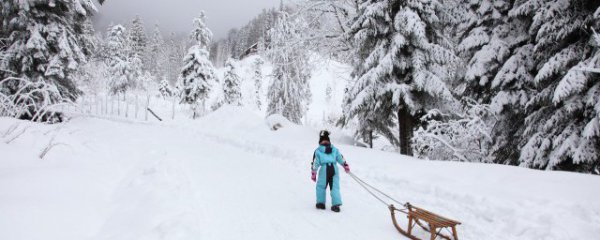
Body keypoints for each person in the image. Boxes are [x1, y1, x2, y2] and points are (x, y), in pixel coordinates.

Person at [311, 130, 350, 212]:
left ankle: (321, 203)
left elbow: (315, 162)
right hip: (334, 169)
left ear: (320, 141)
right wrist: (345, 165)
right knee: (335, 187)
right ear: (329, 140)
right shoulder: (334, 149)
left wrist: (314, 172)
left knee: (321, 186)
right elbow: (340, 157)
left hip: (324, 169)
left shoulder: (318, 151)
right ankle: (336, 205)